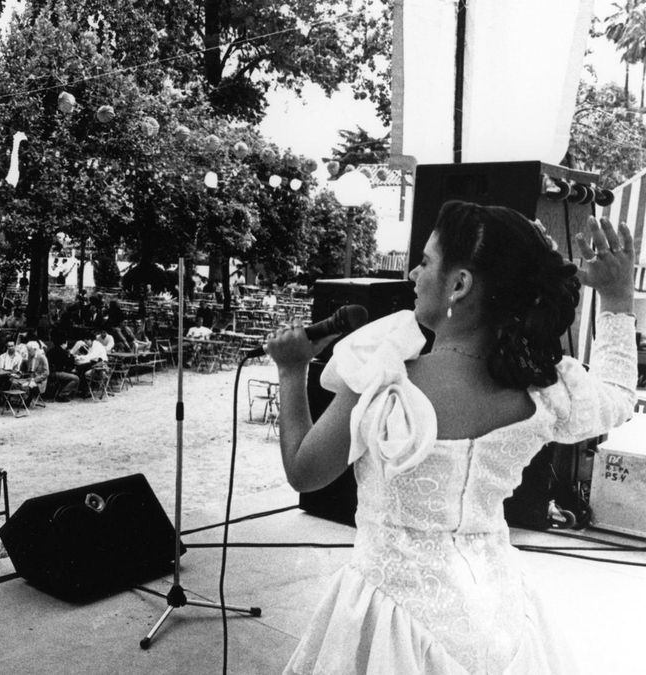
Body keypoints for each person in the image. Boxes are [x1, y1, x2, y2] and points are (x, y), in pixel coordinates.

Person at [270, 206, 636, 674]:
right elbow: (620, 396)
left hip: (392, 617)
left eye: (425, 261)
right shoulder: (546, 393)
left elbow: (304, 470)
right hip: (500, 620)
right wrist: (616, 296)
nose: (413, 273)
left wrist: (291, 369)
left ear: (459, 285)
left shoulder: (382, 380)